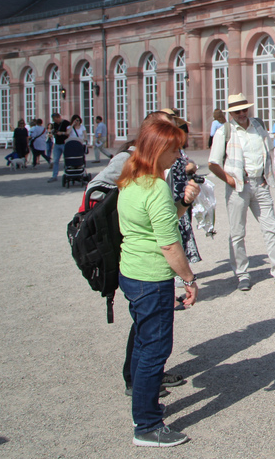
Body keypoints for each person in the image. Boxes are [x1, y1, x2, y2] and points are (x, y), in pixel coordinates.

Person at [116, 115, 198, 448]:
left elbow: (154, 224)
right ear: (159, 149)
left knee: (143, 342)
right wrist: (189, 278)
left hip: (131, 272)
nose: (178, 156)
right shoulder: (156, 188)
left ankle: (143, 404)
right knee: (155, 349)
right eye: (174, 150)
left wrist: (184, 203)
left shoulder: (132, 177)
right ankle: (147, 425)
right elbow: (168, 244)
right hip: (151, 277)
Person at [207, 92, 275, 291]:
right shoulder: (224, 131)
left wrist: (267, 174)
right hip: (238, 187)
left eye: (244, 110)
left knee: (271, 228)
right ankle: (242, 274)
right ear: (231, 113)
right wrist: (229, 180)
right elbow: (213, 163)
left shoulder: (258, 126)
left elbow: (269, 149)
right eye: (237, 112)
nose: (242, 114)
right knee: (237, 233)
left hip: (260, 184)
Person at [47, 113, 68, 182]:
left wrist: (62, 133)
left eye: (55, 119)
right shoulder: (55, 124)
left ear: (59, 117)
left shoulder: (66, 123)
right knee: (55, 160)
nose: (54, 121)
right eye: (53, 120)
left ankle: (67, 174)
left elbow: (69, 132)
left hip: (64, 143)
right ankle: (54, 176)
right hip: (57, 143)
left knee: (66, 160)